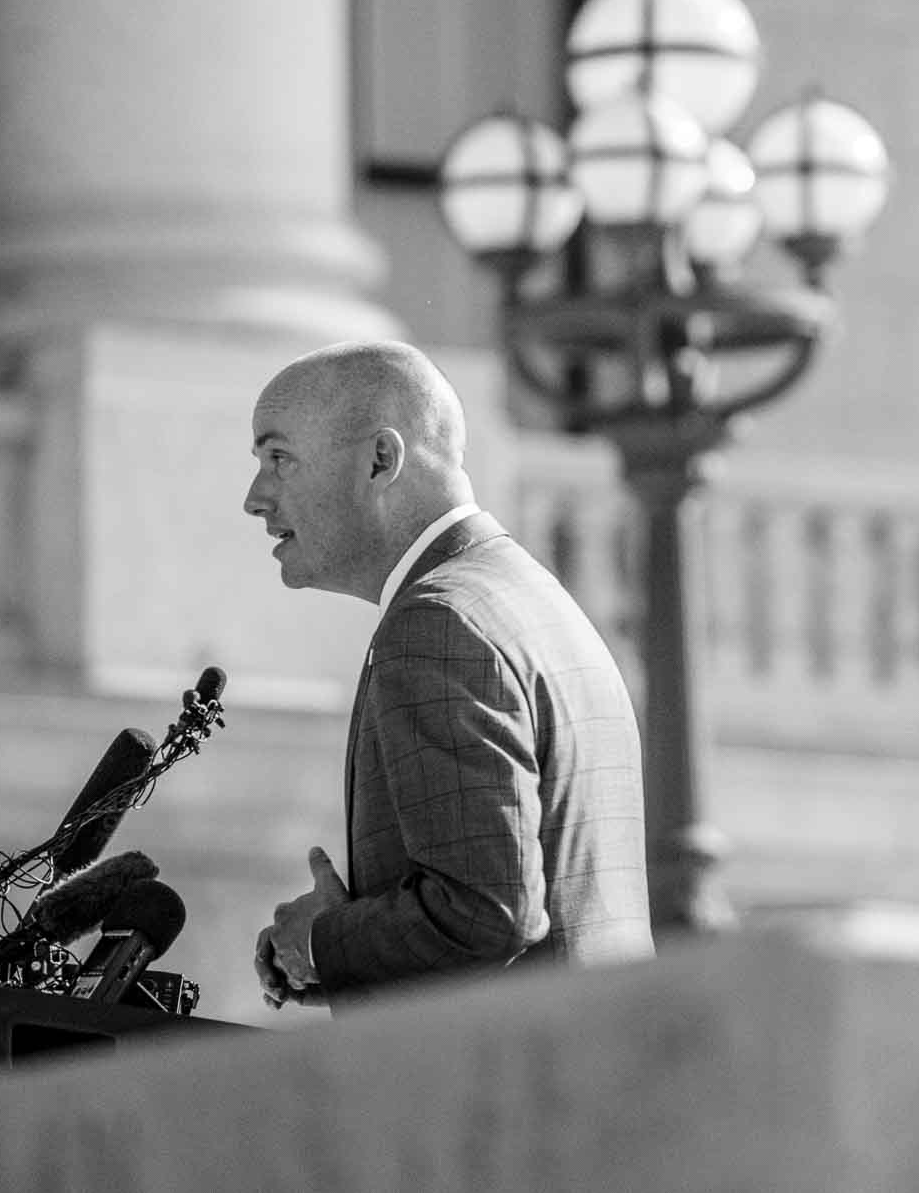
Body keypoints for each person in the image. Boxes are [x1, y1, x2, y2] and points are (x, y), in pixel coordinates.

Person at [244, 341, 653, 1010]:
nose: (256, 498)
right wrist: (350, 945)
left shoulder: (437, 626)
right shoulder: (528, 600)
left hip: (517, 1095)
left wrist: (321, 941)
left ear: (380, 460)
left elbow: (484, 915)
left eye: (279, 458)